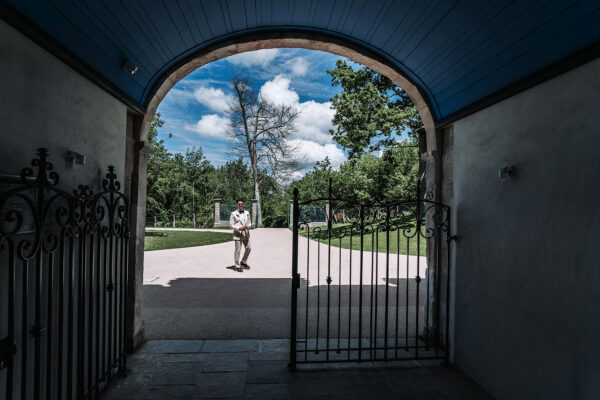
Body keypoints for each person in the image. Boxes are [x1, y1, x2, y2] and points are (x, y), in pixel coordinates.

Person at [229, 199, 251, 272]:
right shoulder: (233, 213)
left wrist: (249, 226)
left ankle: (243, 262)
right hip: (238, 234)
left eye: (242, 204)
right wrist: (238, 228)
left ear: (243, 204)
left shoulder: (247, 212)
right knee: (238, 250)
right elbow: (231, 225)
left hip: (246, 233)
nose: (241, 205)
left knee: (249, 248)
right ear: (237, 205)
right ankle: (237, 266)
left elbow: (249, 222)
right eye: (239, 204)